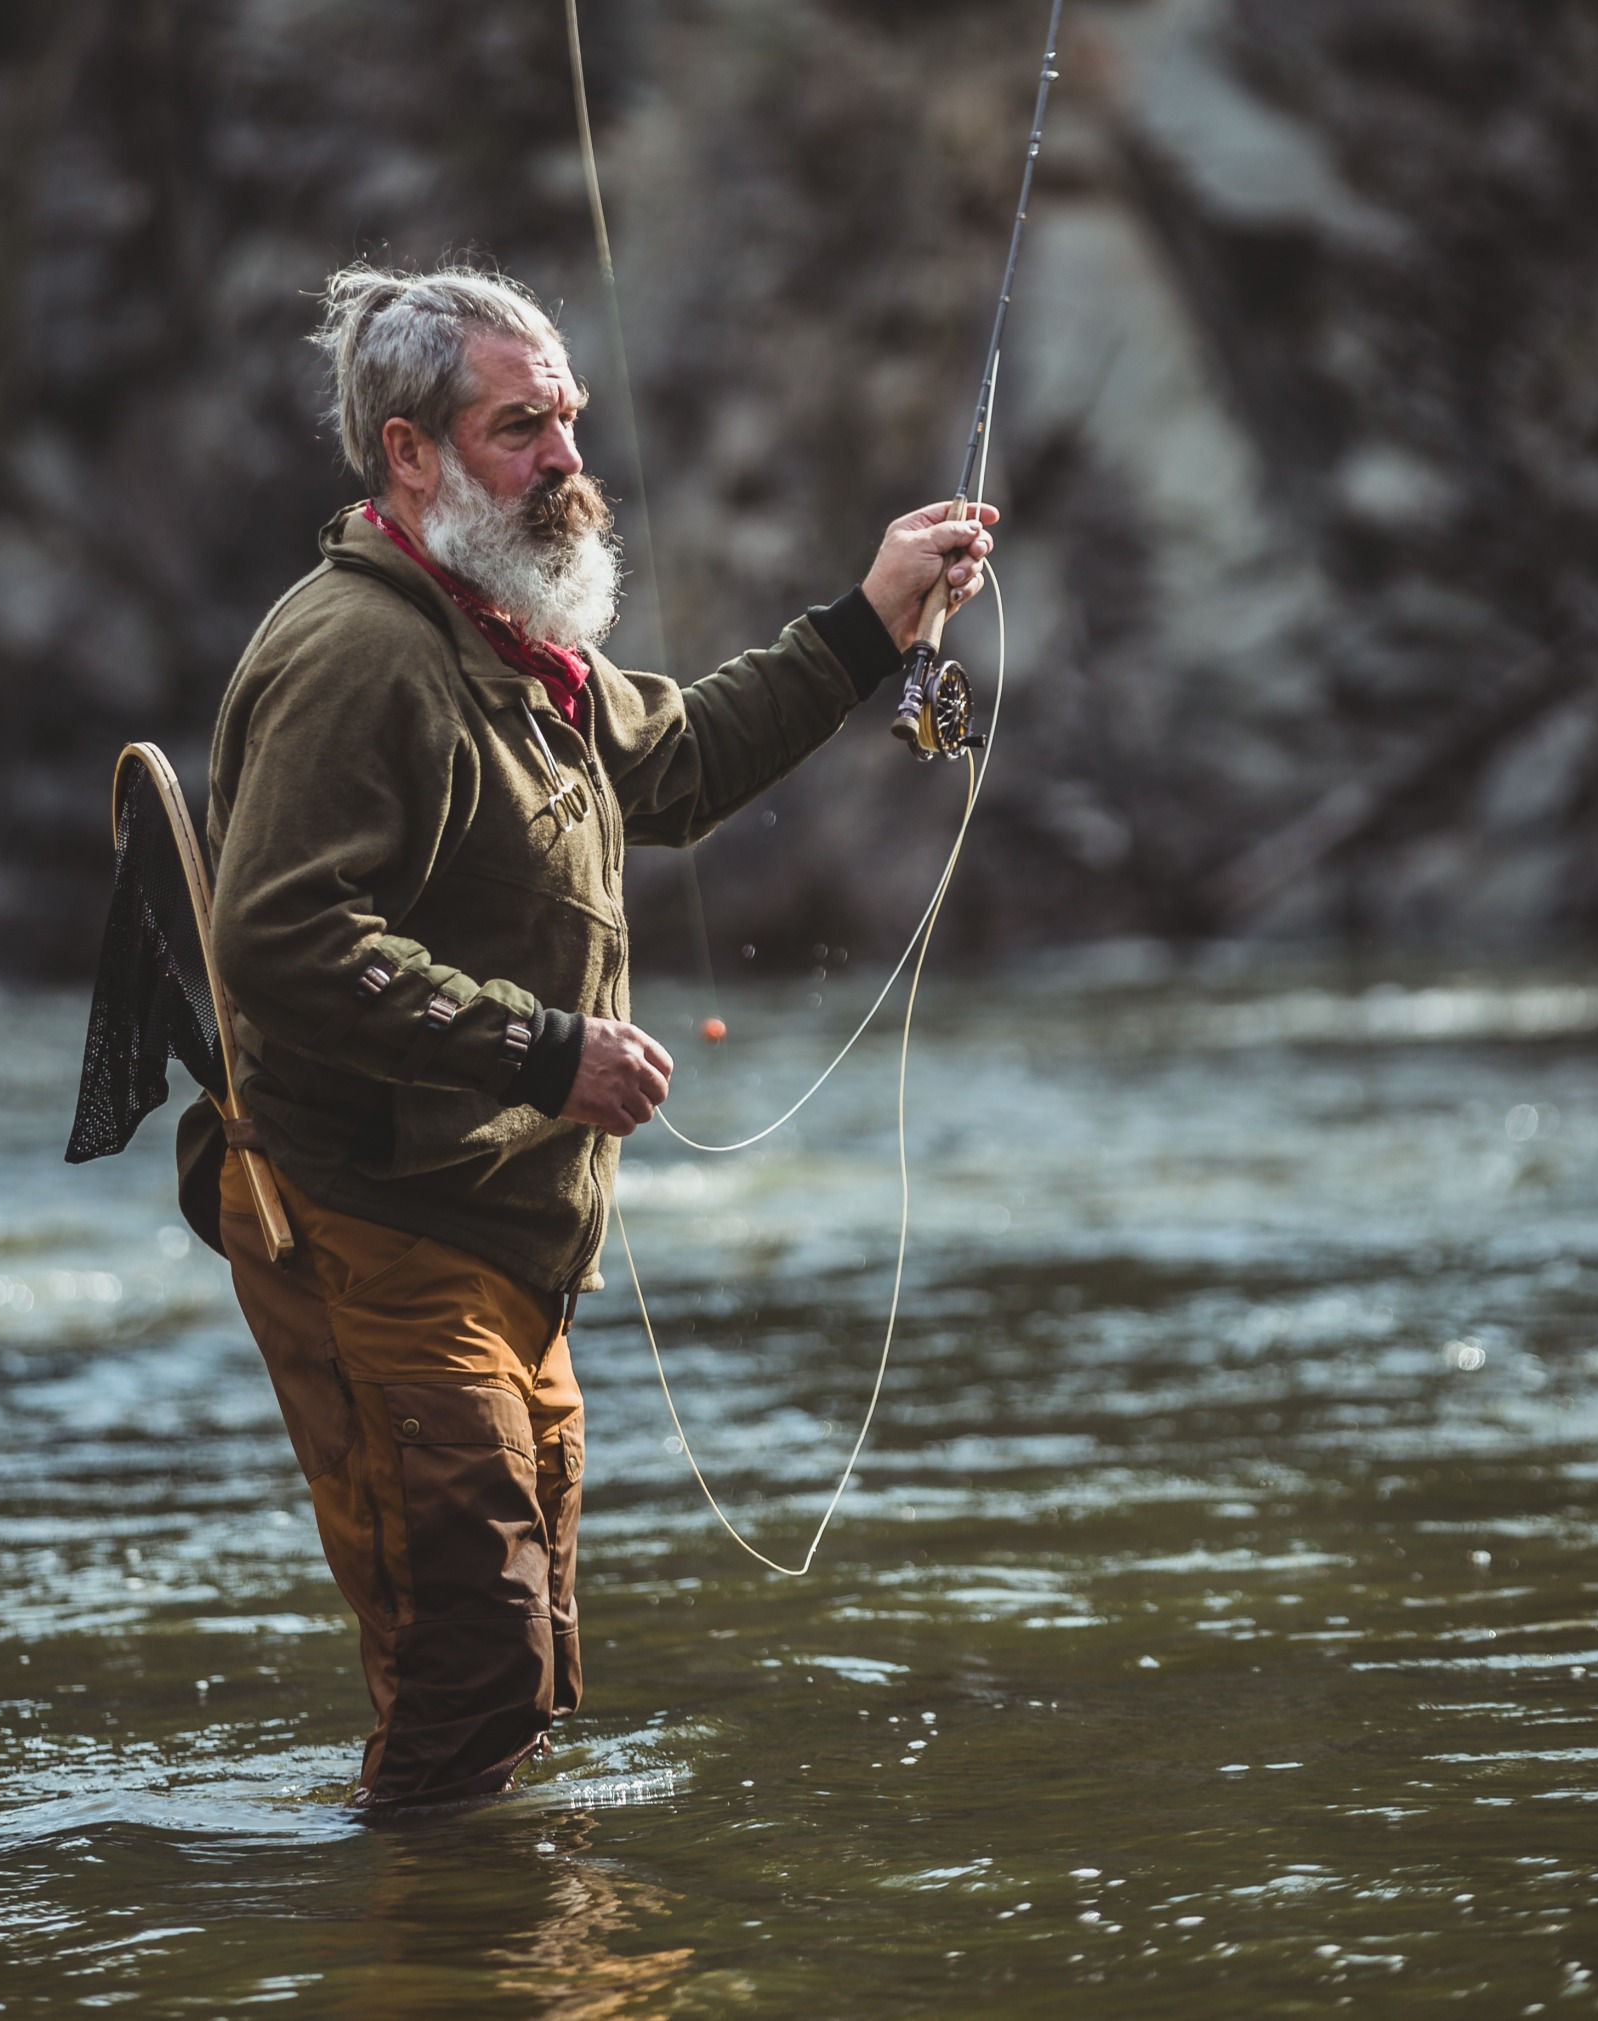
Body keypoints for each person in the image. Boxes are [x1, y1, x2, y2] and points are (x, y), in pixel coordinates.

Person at [194, 262, 996, 1808]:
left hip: (502, 1241)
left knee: (515, 1681)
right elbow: (279, 942)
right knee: (475, 1665)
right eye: (520, 429)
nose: (567, 458)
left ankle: (485, 1928)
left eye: (567, 419)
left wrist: (873, 619)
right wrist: (546, 1053)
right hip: (379, 1224)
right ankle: (416, 1925)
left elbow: (676, 763)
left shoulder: (505, 641)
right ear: (408, 452)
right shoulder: (359, 653)